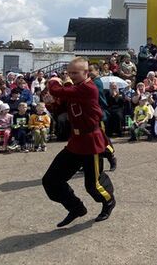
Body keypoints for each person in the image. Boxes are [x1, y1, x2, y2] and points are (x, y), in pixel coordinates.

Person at [41, 58, 115, 227]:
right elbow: (62, 107)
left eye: (75, 73)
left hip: (91, 142)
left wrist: (53, 80)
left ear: (86, 73)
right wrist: (51, 104)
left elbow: (57, 90)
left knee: (93, 185)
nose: (71, 76)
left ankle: (109, 202)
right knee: (51, 180)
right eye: (69, 73)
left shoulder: (89, 88)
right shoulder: (74, 89)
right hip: (76, 142)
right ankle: (76, 208)